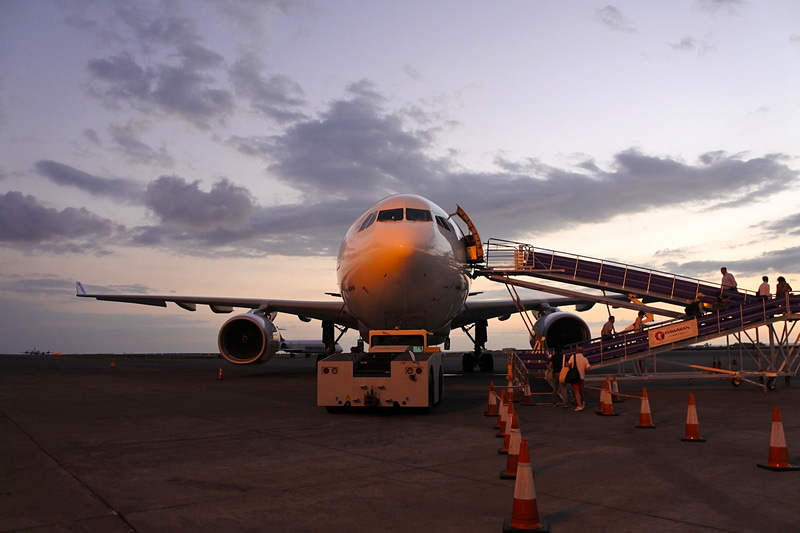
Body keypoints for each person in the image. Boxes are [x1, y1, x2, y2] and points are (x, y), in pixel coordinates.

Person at [566, 347, 591, 411]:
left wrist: (566, 364)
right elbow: (588, 368)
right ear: (582, 352)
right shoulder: (585, 359)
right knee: (581, 391)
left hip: (574, 377)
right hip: (582, 377)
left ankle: (579, 405)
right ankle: (583, 402)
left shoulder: (573, 356)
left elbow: (568, 364)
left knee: (576, 392)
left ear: (576, 351)